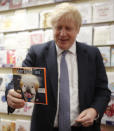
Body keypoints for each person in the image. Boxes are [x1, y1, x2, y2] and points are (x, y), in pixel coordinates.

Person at [5, 3, 111, 131]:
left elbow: (103, 91)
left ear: (77, 29)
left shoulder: (92, 54)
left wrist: (94, 111)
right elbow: (16, 85)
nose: (62, 33)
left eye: (68, 28)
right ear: (52, 28)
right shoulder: (37, 53)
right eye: (58, 27)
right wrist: (10, 93)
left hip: (83, 127)